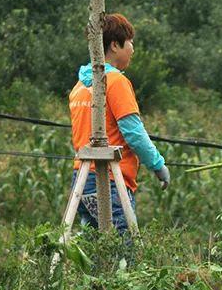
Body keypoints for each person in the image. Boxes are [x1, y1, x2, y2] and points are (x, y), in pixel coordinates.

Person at [68, 13, 170, 234]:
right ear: (115, 45)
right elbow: (134, 133)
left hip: (81, 179)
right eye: (130, 42)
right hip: (110, 179)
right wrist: (157, 165)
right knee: (122, 250)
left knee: (94, 247)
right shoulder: (115, 82)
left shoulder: (79, 86)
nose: (132, 48)